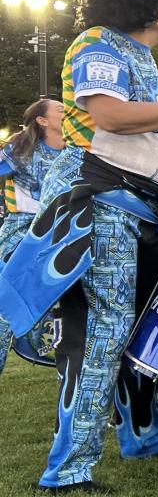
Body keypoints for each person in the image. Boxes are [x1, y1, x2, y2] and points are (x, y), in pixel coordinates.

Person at [0, 0, 158, 491]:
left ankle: (142, 436)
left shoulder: (141, 56)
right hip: (101, 204)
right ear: (147, 4)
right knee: (102, 333)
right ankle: (68, 469)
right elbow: (109, 116)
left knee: (144, 326)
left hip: (142, 209)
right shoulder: (96, 45)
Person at [0, 98, 64, 381]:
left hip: (63, 234)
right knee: (5, 303)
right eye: (61, 109)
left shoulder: (75, 151)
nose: (68, 111)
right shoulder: (20, 148)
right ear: (42, 120)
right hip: (22, 233)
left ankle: (33, 337)